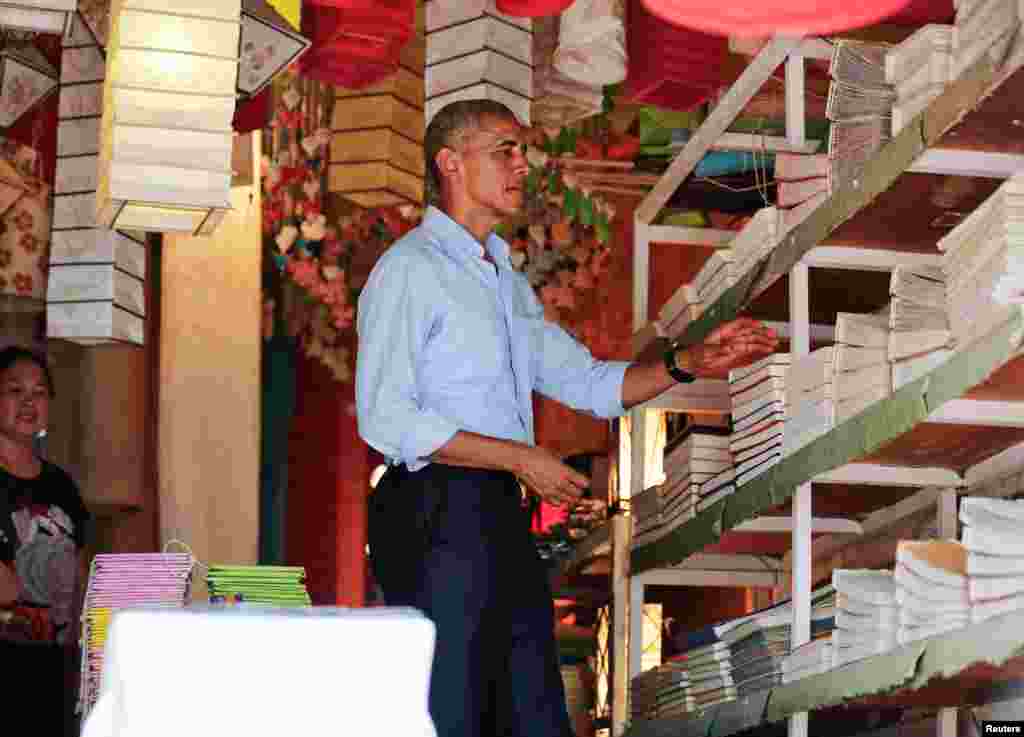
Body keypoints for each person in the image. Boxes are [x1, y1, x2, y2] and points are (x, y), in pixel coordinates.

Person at [356, 99, 778, 737]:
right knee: (450, 714)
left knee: (534, 714)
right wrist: (521, 457)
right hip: (434, 507)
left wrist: (690, 361)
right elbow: (385, 417)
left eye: (521, 150)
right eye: (504, 150)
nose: (521, 165)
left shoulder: (503, 280)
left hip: (498, 510)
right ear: (450, 163)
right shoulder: (409, 270)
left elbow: (589, 383)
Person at [0, 346, 89, 645]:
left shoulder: (61, 484)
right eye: (15, 390)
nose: (28, 401)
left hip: (57, 655)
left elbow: (80, 576)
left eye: (39, 392)